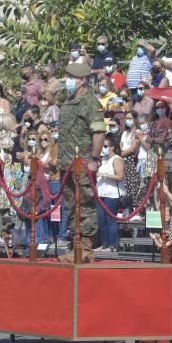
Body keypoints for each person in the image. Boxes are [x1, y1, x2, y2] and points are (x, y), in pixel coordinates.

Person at [56, 63, 106, 263]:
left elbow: (99, 131)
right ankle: (74, 243)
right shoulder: (69, 102)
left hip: (83, 162)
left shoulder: (90, 102)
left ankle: (85, 248)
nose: (67, 81)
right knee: (71, 204)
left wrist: (94, 158)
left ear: (82, 80)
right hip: (66, 163)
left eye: (70, 77)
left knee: (84, 203)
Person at [94, 136, 125, 252]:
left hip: (112, 195)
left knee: (110, 220)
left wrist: (104, 175)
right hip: (101, 194)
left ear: (112, 147)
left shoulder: (117, 159)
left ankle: (112, 245)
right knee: (101, 220)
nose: (103, 148)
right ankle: (104, 244)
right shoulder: (104, 159)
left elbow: (120, 176)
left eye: (105, 146)